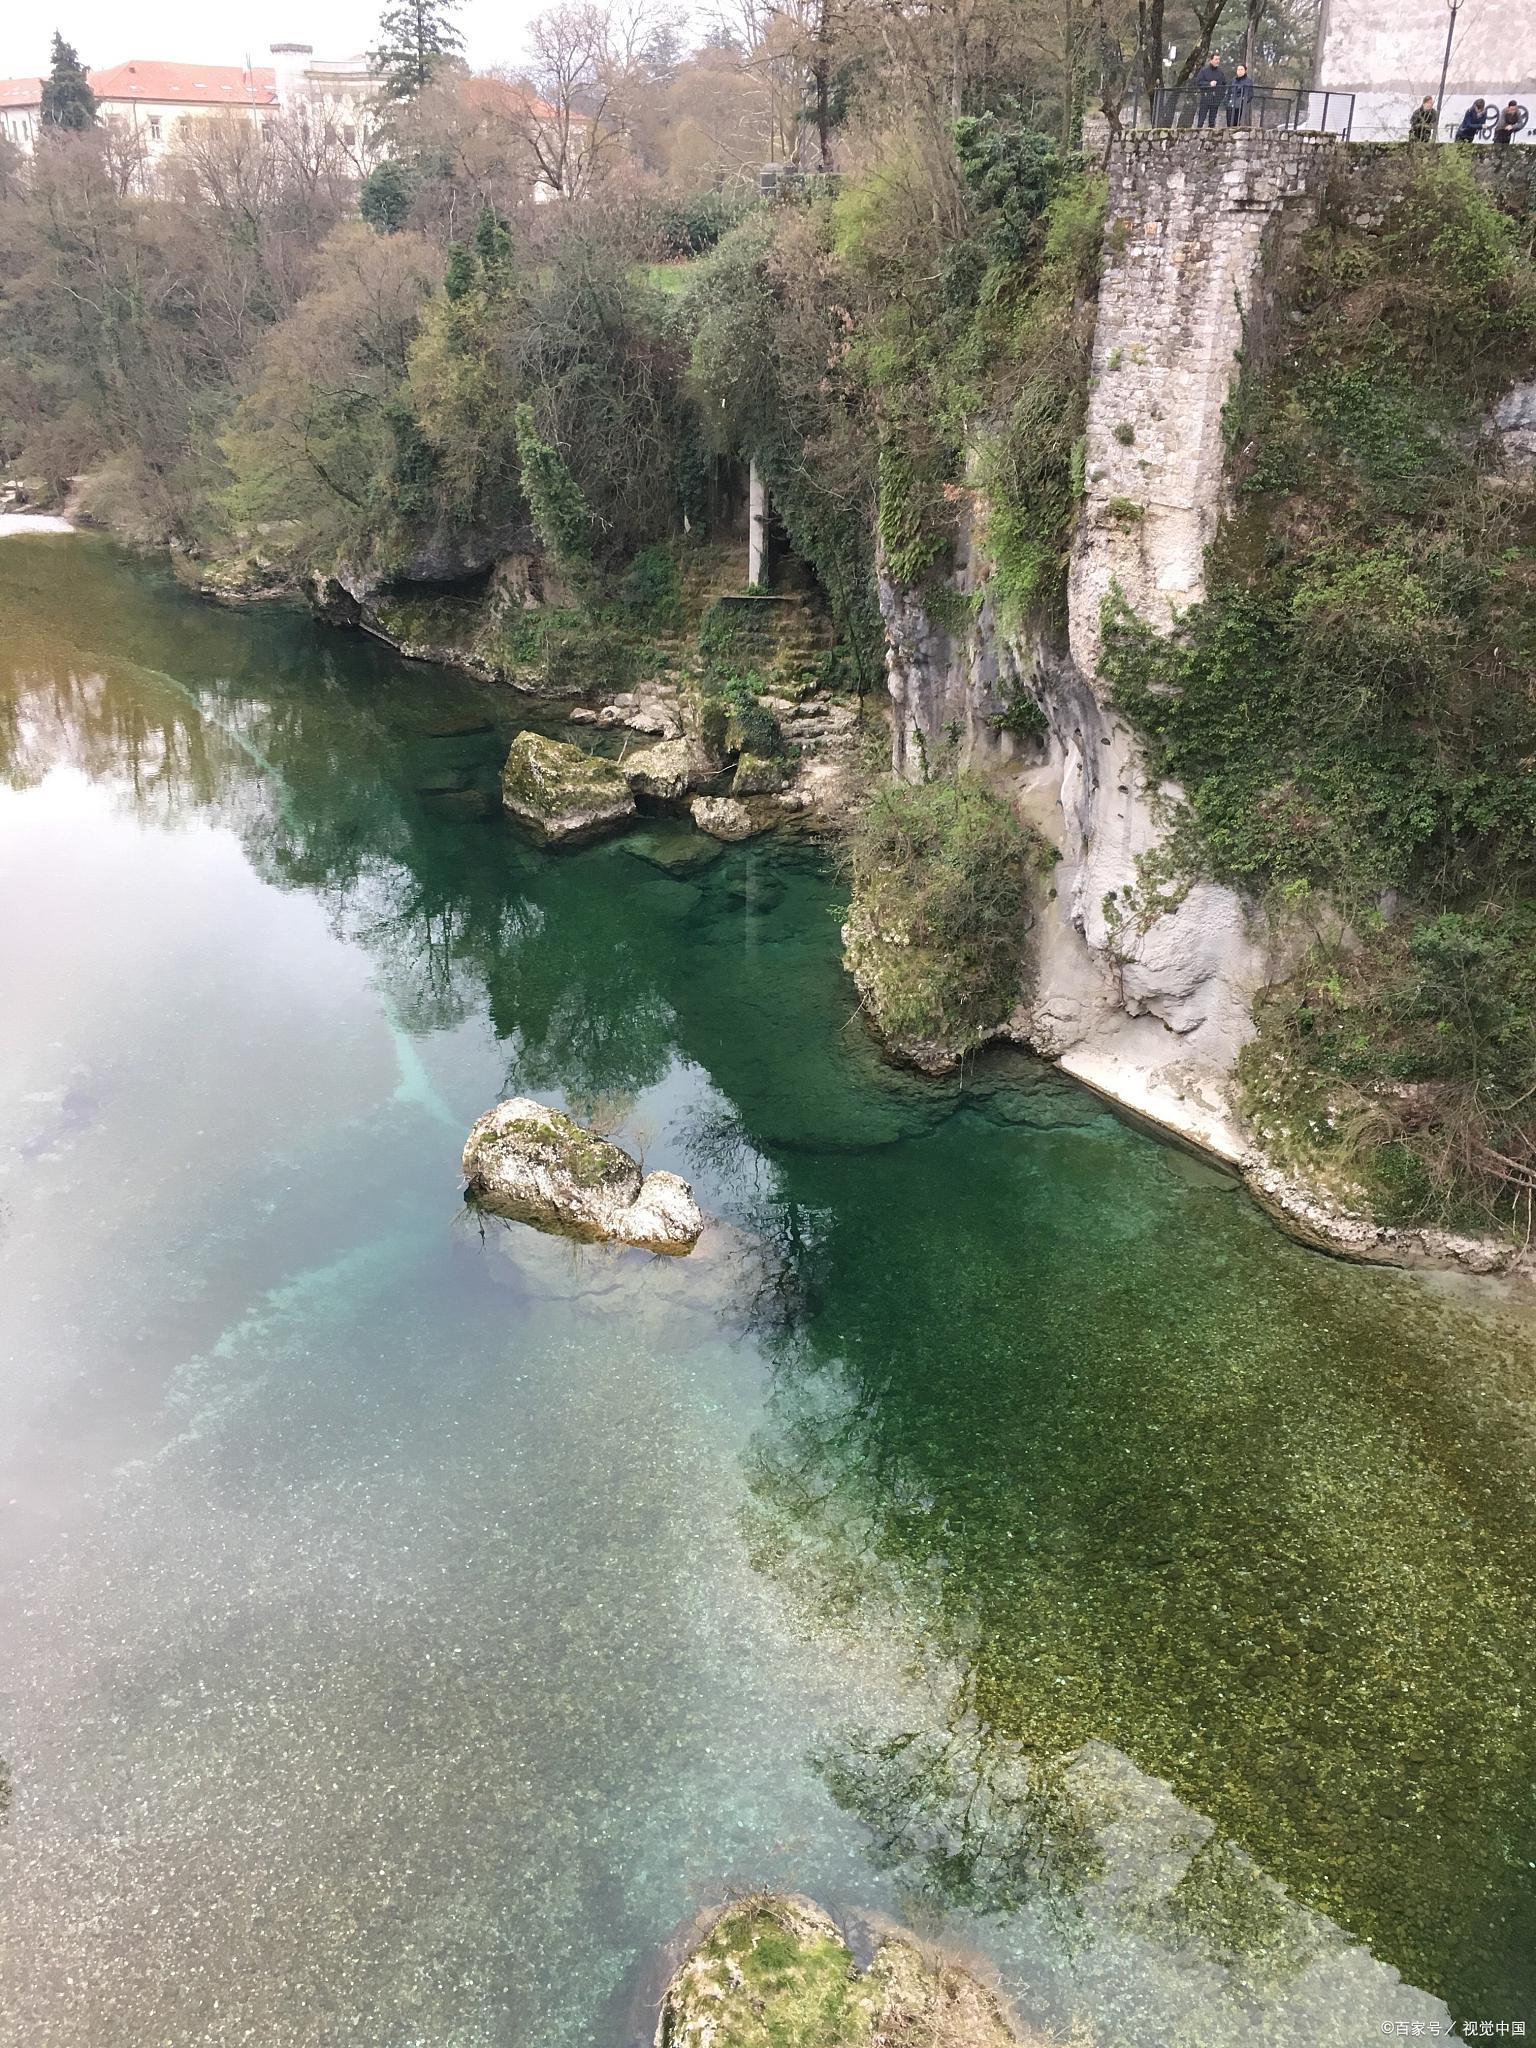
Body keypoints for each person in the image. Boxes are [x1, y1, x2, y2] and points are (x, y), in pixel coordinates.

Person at [1193, 52, 1224, 130]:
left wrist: (1221, 96)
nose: (1218, 61)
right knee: (1201, 119)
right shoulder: (1204, 71)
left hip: (1216, 99)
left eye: (1218, 59)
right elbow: (1198, 82)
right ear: (1211, 60)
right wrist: (1209, 84)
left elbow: (1224, 85)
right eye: (1216, 59)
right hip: (1205, 98)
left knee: (1212, 120)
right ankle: (1198, 134)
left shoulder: (1220, 72)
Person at [1225, 63, 1254, 127]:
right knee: (1229, 121)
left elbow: (1250, 94)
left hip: (1240, 104)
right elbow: (1229, 91)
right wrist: (1227, 100)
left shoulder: (1248, 81)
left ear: (1245, 71)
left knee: (1236, 121)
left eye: (1241, 69)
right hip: (1231, 103)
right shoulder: (1233, 80)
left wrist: (1243, 100)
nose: (1239, 71)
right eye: (1238, 69)